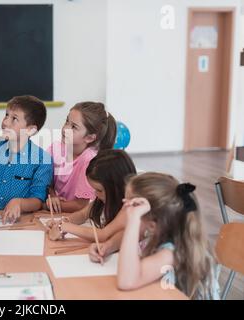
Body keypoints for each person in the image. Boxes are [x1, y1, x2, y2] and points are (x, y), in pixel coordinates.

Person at [115, 172, 220, 300]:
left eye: (129, 206)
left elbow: (126, 281)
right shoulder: (161, 237)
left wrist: (133, 220)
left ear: (152, 225)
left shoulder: (171, 253)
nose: (124, 211)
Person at [0, 95, 53, 224]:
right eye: (6, 115)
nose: (5, 122)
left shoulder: (43, 159)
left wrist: (18, 202)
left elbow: (37, 200)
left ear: (30, 130)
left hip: (23, 222)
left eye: (14, 119)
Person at [47, 150, 136, 249]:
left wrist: (64, 227)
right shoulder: (103, 201)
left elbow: (103, 235)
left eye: (99, 190)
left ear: (117, 187)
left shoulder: (129, 207)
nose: (95, 194)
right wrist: (63, 221)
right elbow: (83, 214)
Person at [44, 102, 117, 213]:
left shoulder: (89, 160)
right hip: (58, 212)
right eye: (67, 121)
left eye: (74, 127)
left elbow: (81, 206)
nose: (65, 129)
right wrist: (52, 196)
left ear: (89, 138)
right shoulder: (55, 148)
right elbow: (45, 181)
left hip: (79, 218)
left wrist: (45, 205)